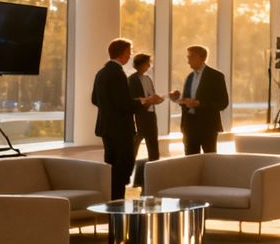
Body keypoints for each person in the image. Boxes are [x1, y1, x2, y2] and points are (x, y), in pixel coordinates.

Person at [92, 38, 160, 197]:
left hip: (105, 127)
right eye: (129, 52)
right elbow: (125, 104)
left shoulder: (101, 73)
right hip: (120, 129)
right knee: (122, 169)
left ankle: (111, 203)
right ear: (122, 54)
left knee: (111, 167)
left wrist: (110, 108)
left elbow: (95, 99)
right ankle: (117, 204)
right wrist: (145, 101)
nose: (130, 56)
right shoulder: (118, 74)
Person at [168, 45, 228, 155]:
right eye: (188, 57)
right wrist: (177, 100)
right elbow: (187, 102)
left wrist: (199, 104)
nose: (188, 61)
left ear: (202, 58)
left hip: (208, 126)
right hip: (189, 126)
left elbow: (223, 103)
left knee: (209, 161)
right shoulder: (190, 77)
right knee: (190, 162)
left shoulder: (216, 76)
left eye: (191, 57)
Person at [127, 52, 162, 188]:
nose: (149, 65)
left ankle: (155, 173)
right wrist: (148, 101)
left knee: (153, 144)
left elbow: (151, 96)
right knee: (135, 145)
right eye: (147, 62)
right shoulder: (132, 80)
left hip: (151, 115)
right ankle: (129, 173)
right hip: (140, 115)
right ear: (141, 63)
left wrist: (157, 99)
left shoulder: (147, 79)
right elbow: (135, 100)